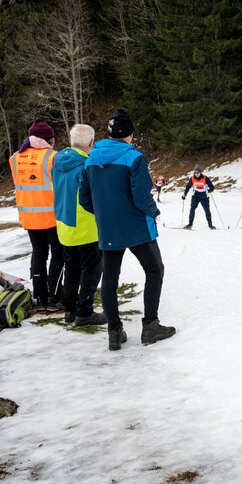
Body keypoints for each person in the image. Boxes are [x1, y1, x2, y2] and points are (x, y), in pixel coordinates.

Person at [79, 109, 175, 351]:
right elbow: (141, 197)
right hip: (137, 228)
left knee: (110, 278)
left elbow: (84, 199)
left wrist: (105, 214)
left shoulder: (90, 159)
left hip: (109, 228)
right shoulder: (134, 158)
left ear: (109, 134)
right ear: (130, 135)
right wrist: (154, 211)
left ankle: (114, 332)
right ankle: (150, 326)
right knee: (154, 269)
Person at [51, 124, 106, 326]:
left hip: (64, 225)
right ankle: (84, 312)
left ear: (70, 140)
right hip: (86, 228)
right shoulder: (87, 166)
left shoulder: (57, 163)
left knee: (71, 268)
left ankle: (70, 310)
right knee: (91, 270)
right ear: (91, 143)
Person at [8, 118, 63, 309]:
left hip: (29, 216)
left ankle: (40, 297)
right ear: (49, 139)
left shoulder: (15, 158)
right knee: (58, 255)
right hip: (52, 216)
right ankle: (55, 297)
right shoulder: (53, 157)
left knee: (39, 253)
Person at [182, 165, 216, 229]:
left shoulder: (205, 178)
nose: (196, 174)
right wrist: (184, 194)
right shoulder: (192, 178)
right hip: (196, 196)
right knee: (192, 208)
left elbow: (212, 187)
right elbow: (188, 186)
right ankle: (190, 224)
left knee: (207, 210)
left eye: (198, 172)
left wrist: (209, 190)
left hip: (204, 197)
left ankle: (210, 224)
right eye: (195, 173)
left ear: (200, 172)